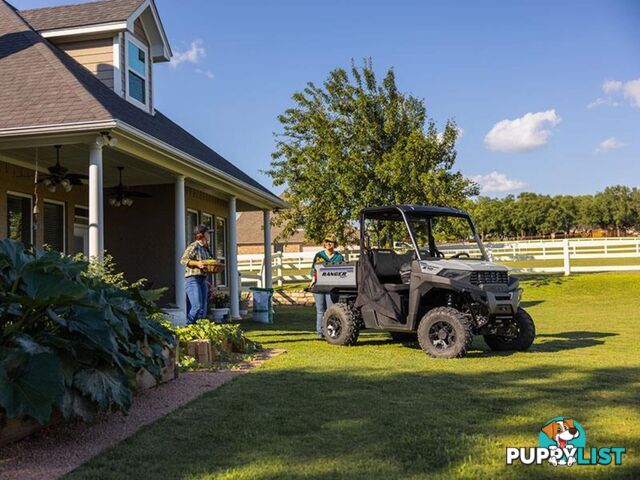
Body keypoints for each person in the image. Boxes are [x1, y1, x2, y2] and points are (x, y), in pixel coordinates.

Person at [310, 234, 345, 338]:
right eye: (327, 241)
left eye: (331, 242)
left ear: (334, 244)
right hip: (319, 285)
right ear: (324, 243)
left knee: (331, 310)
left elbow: (343, 271)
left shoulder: (339, 256)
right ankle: (320, 333)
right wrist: (312, 280)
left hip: (332, 287)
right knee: (320, 311)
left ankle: (330, 332)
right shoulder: (319, 255)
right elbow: (314, 270)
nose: (329, 244)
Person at [180, 225, 213, 324]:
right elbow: (183, 260)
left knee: (203, 309)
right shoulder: (194, 246)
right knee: (197, 306)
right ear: (202, 234)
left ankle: (197, 332)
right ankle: (187, 328)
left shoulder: (206, 248)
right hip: (192, 279)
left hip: (202, 279)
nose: (209, 235)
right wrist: (197, 263)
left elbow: (208, 264)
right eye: (208, 233)